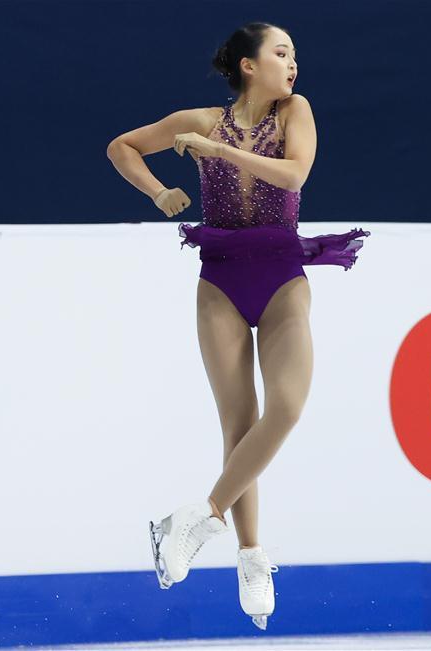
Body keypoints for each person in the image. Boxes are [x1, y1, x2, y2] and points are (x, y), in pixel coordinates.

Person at [105, 22, 369, 630]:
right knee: (239, 423)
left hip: (280, 273)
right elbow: (122, 146)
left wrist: (218, 152)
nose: (293, 64)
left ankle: (200, 517)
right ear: (249, 65)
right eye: (281, 53)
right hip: (220, 278)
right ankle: (250, 554)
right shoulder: (197, 119)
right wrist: (157, 192)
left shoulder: (293, 111)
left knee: (288, 407)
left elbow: (295, 175)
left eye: (295, 55)